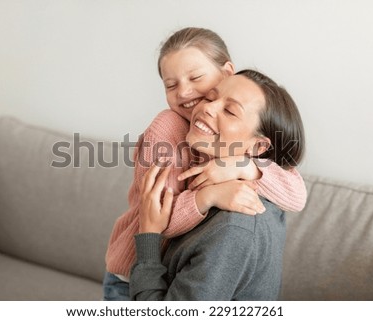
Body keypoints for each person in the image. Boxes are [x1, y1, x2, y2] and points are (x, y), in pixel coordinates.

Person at [104, 27, 306, 300]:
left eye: (196, 78)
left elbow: (296, 194)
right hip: (131, 273)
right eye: (171, 85)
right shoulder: (168, 129)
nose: (185, 93)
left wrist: (244, 166)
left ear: (227, 73)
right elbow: (157, 219)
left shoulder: (241, 147)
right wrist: (207, 196)